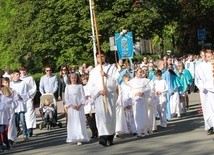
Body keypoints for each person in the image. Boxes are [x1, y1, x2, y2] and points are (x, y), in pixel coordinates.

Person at [88, 52, 119, 146]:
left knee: (110, 115)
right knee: (101, 116)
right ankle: (102, 137)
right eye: (98, 56)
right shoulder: (93, 71)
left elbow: (115, 81)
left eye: (102, 56)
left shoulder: (111, 68)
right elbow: (91, 85)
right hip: (99, 96)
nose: (100, 58)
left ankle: (110, 137)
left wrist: (106, 76)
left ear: (105, 57)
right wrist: (99, 91)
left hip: (109, 95)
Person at [65, 73, 89, 146]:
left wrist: (80, 104)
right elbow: (66, 97)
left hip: (79, 106)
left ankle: (80, 137)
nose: (73, 79)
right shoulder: (67, 87)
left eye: (75, 78)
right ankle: (73, 137)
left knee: (79, 121)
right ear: (70, 79)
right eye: (72, 78)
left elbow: (83, 96)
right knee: (73, 122)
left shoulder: (80, 86)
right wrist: (71, 105)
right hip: (72, 107)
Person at [128, 67, 151, 137]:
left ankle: (144, 130)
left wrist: (143, 92)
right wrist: (135, 94)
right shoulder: (131, 82)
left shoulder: (145, 80)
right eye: (140, 72)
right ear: (136, 73)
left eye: (142, 72)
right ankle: (138, 131)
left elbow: (148, 89)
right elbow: (129, 91)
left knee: (144, 114)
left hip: (143, 99)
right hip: (136, 100)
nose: (141, 73)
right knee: (137, 115)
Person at [10, 70, 29, 140]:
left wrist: (22, 96)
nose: (18, 76)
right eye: (16, 75)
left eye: (19, 74)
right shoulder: (11, 84)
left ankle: (25, 134)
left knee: (22, 120)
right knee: (16, 121)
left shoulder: (23, 83)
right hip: (14, 105)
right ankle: (18, 130)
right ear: (14, 75)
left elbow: (26, 93)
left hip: (21, 103)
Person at [19, 66, 37, 137]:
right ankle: (24, 130)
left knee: (29, 114)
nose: (22, 72)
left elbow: (34, 88)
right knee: (22, 116)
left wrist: (30, 95)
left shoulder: (30, 78)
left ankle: (29, 129)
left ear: (26, 71)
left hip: (28, 98)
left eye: (24, 70)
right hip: (20, 100)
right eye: (21, 70)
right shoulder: (18, 79)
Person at [1, 77, 18, 147]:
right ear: (2, 83)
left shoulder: (13, 91)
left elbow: (16, 100)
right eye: (5, 82)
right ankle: (5, 140)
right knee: (4, 126)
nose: (7, 84)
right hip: (3, 112)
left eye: (8, 82)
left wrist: (12, 106)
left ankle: (11, 139)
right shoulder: (1, 91)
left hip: (10, 110)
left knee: (11, 125)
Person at [81, 74, 98, 139]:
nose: (82, 81)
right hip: (87, 106)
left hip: (92, 105)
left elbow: (95, 94)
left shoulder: (92, 86)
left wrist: (89, 96)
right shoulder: (83, 87)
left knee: (94, 120)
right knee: (90, 121)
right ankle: (94, 132)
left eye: (83, 80)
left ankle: (96, 132)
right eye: (82, 80)